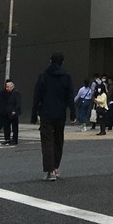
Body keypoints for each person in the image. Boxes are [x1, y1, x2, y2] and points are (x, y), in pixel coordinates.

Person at [30, 52, 76, 181]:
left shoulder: (43, 76)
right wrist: (73, 113)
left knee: (47, 141)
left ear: (50, 61)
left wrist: (34, 114)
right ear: (63, 62)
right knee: (58, 140)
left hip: (46, 112)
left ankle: (50, 170)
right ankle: (56, 167)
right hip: (60, 113)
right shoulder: (66, 77)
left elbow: (37, 96)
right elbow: (70, 97)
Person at [0, 78, 22, 144]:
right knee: (6, 126)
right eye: (6, 87)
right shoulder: (6, 93)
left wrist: (15, 110)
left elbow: (18, 103)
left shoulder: (16, 93)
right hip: (7, 112)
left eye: (8, 87)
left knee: (14, 127)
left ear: (12, 86)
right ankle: (7, 138)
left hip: (13, 112)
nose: (7, 88)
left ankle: (14, 140)